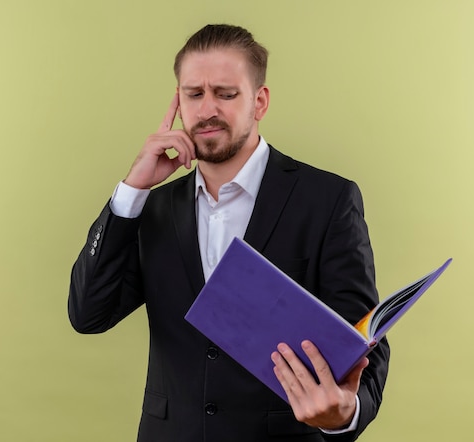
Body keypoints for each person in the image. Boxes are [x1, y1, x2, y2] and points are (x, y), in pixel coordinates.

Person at [69, 24, 390, 442]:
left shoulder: (327, 200)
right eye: (194, 94)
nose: (206, 111)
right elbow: (88, 314)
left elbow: (362, 339)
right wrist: (132, 191)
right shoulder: (154, 209)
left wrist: (345, 413)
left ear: (260, 101)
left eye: (225, 93)